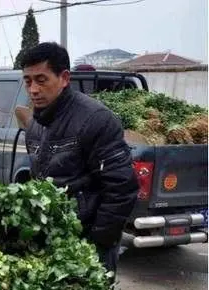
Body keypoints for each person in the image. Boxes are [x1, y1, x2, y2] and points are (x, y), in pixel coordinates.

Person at [19, 42, 138, 277]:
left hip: (88, 242)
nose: (33, 89)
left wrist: (96, 245)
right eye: (28, 81)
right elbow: (38, 182)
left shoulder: (96, 119)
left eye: (41, 80)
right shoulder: (35, 124)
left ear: (64, 78)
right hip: (53, 241)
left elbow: (121, 188)